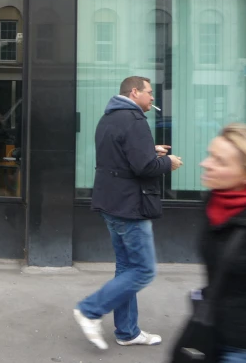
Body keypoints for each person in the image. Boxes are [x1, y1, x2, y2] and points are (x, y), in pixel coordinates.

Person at [74, 76, 183, 350]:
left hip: (111, 203)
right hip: (129, 206)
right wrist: (167, 162)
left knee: (126, 268)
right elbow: (144, 169)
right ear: (134, 92)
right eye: (149, 92)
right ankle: (90, 309)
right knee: (143, 270)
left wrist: (150, 150)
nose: (153, 98)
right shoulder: (135, 121)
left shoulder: (109, 118)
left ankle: (127, 331)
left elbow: (119, 155)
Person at [197, 123, 246, 363]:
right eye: (210, 155)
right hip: (213, 333)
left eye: (220, 161)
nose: (206, 164)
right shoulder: (214, 202)